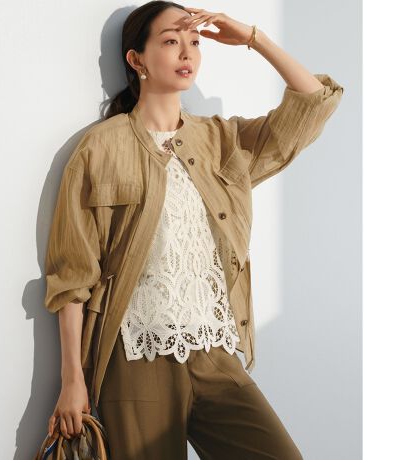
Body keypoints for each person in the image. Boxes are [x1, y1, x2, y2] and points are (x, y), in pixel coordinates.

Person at [44, 1, 344, 459]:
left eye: (195, 41)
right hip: (135, 357)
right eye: (171, 41)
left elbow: (313, 104)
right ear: (136, 59)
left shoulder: (221, 140)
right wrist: (72, 381)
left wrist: (253, 38)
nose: (187, 52)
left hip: (214, 351)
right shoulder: (99, 149)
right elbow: (72, 276)